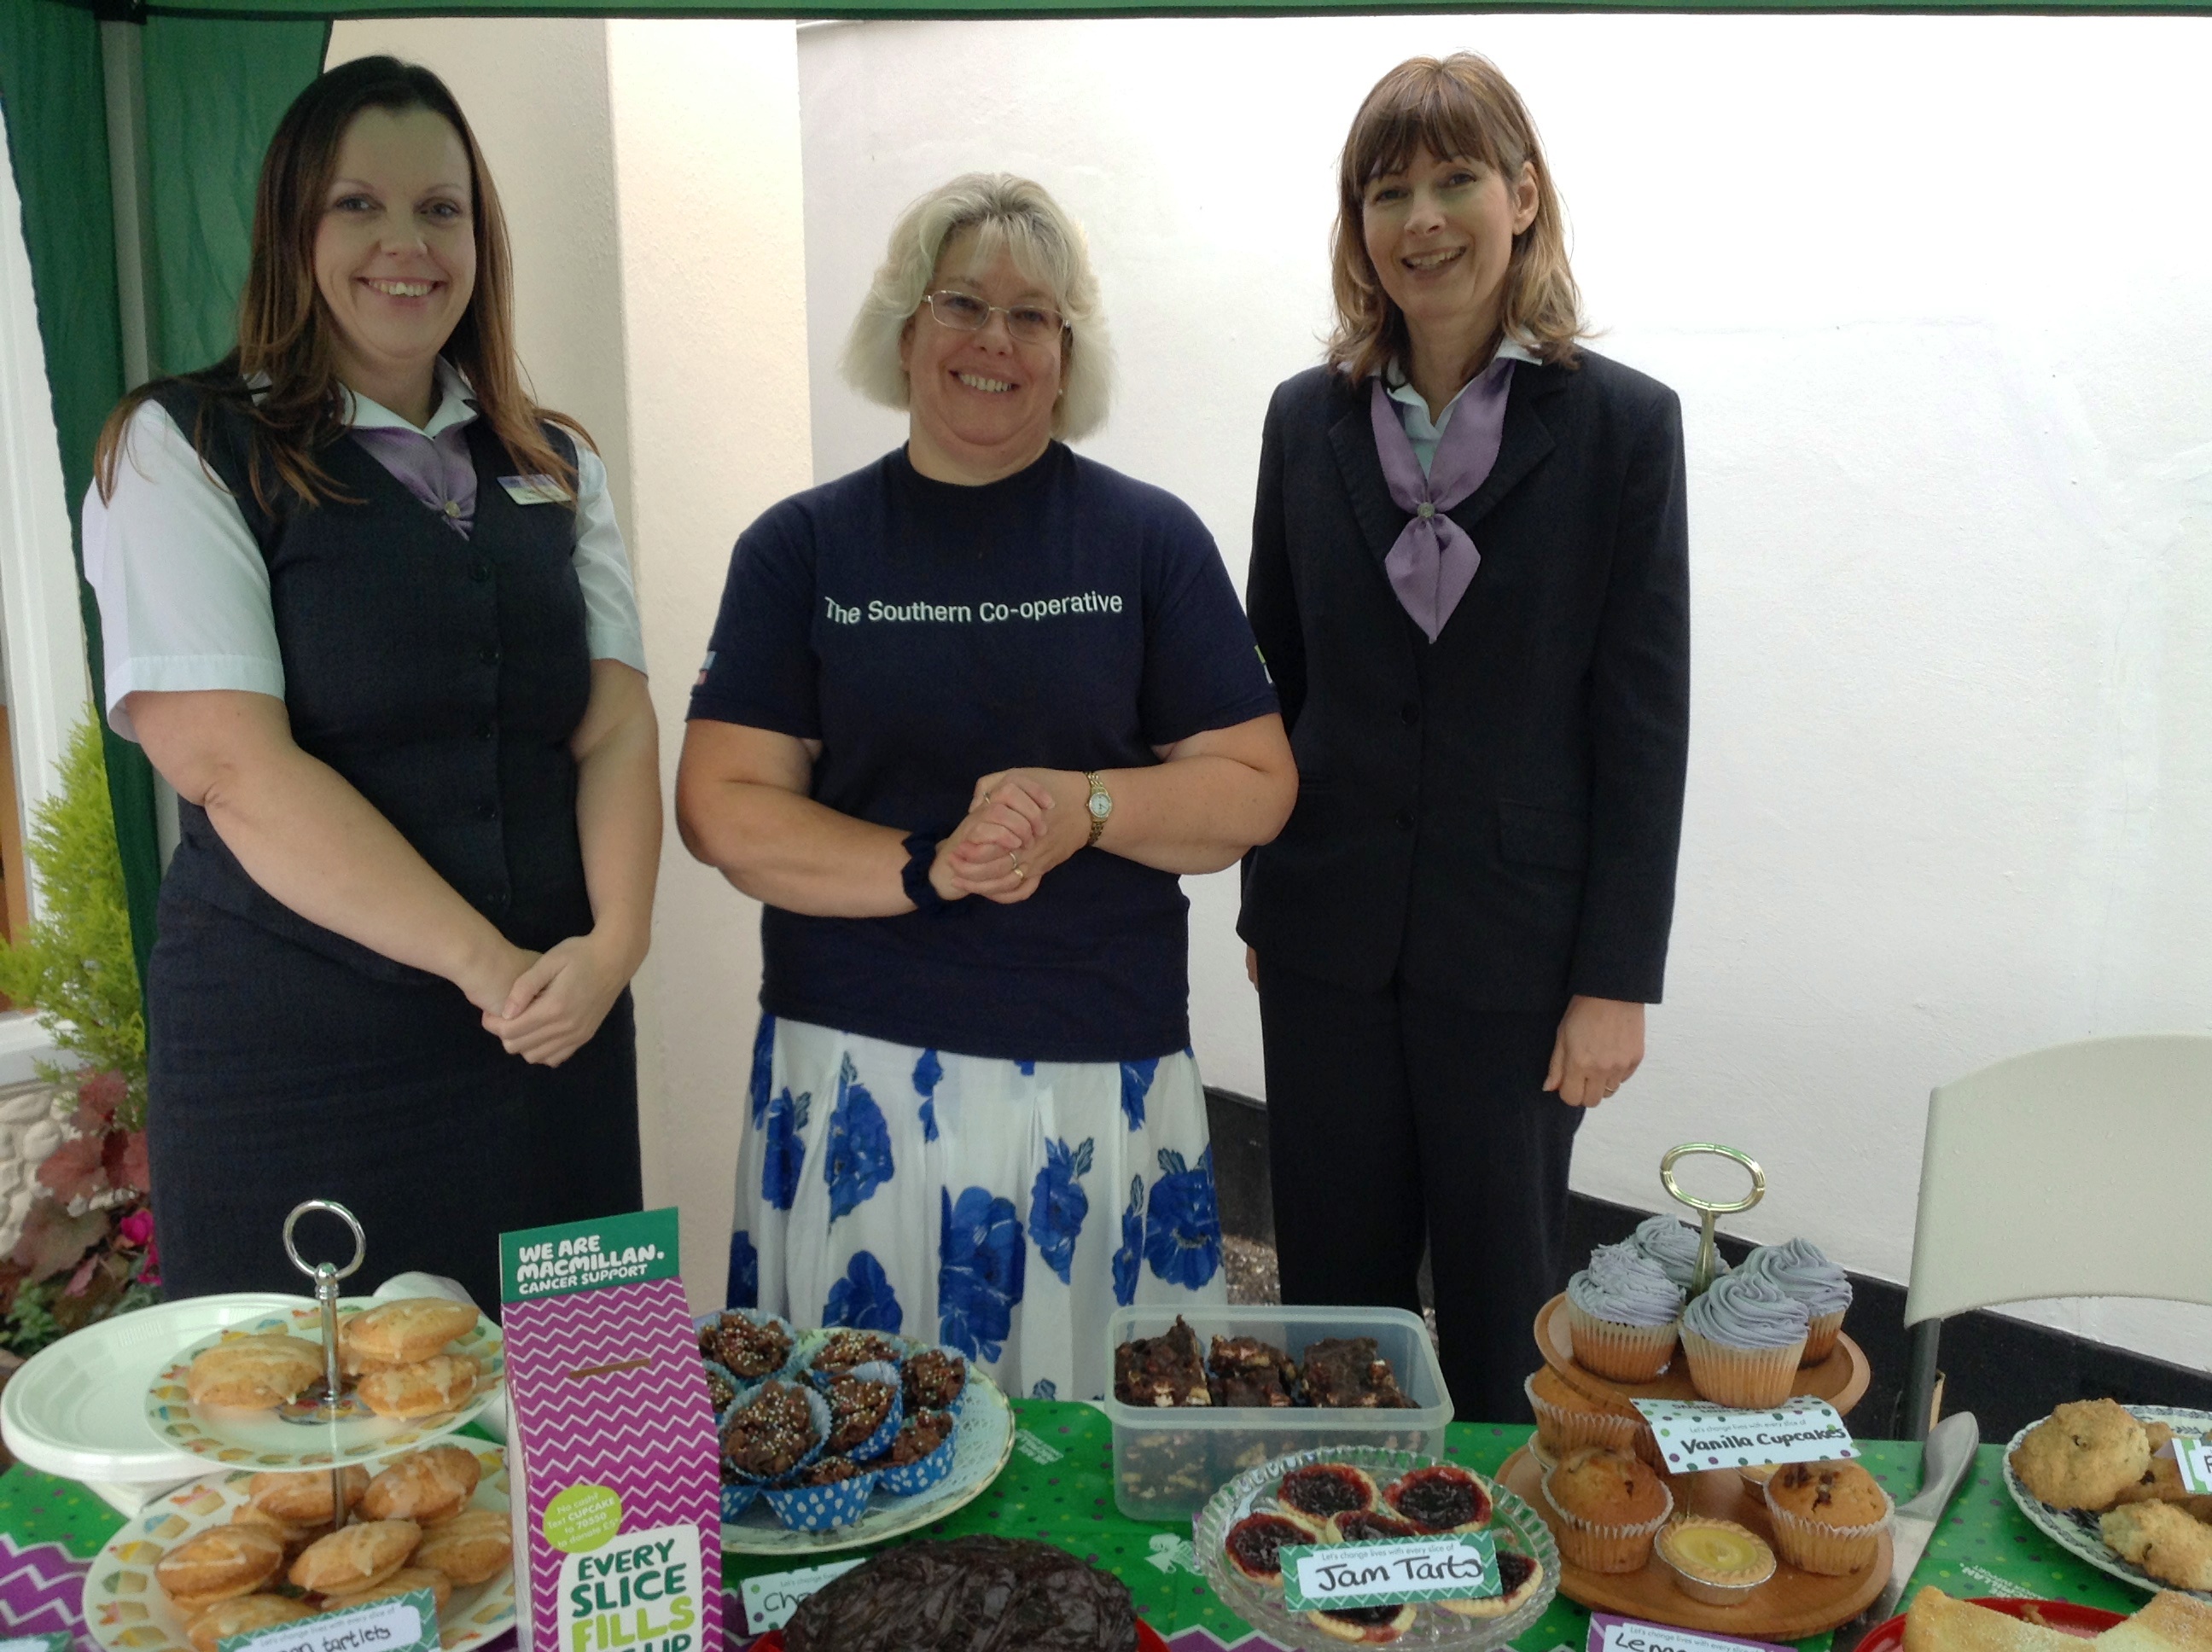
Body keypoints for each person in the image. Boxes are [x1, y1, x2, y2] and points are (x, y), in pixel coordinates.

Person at [678, 174, 1295, 1401]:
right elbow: (724, 807)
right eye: (962, 303)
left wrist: (1091, 808)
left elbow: (1255, 786)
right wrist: (927, 867)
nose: (995, 341)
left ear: (1068, 355)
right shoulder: (801, 549)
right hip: (856, 1073)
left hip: (1094, 1076)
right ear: (904, 330)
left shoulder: (1146, 542)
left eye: (1034, 316)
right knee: (865, 1450)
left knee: (1093, 1474)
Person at [83, 56, 660, 1310]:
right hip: (306, 1062)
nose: (406, 244)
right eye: (359, 204)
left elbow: (613, 722)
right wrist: (484, 963)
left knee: (593, 1465)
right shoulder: (181, 449)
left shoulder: (554, 461)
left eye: (440, 209)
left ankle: (597, 1517)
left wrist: (615, 945)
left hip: (551, 1037)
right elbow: (232, 766)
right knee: (329, 1459)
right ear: (295, 227)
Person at [1238, 54, 1691, 1422]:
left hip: (1521, 946)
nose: (1422, 218)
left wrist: (1619, 979)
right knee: (1335, 1294)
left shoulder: (1623, 427)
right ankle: (1334, 1557)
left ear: (1524, 196)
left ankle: (1493, 1583)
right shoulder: (1303, 420)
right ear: (1356, 225)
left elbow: (1644, 718)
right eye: (1388, 192)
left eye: (1453, 180)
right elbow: (1277, 673)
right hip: (1327, 930)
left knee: (1504, 1307)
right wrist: (1268, 892)